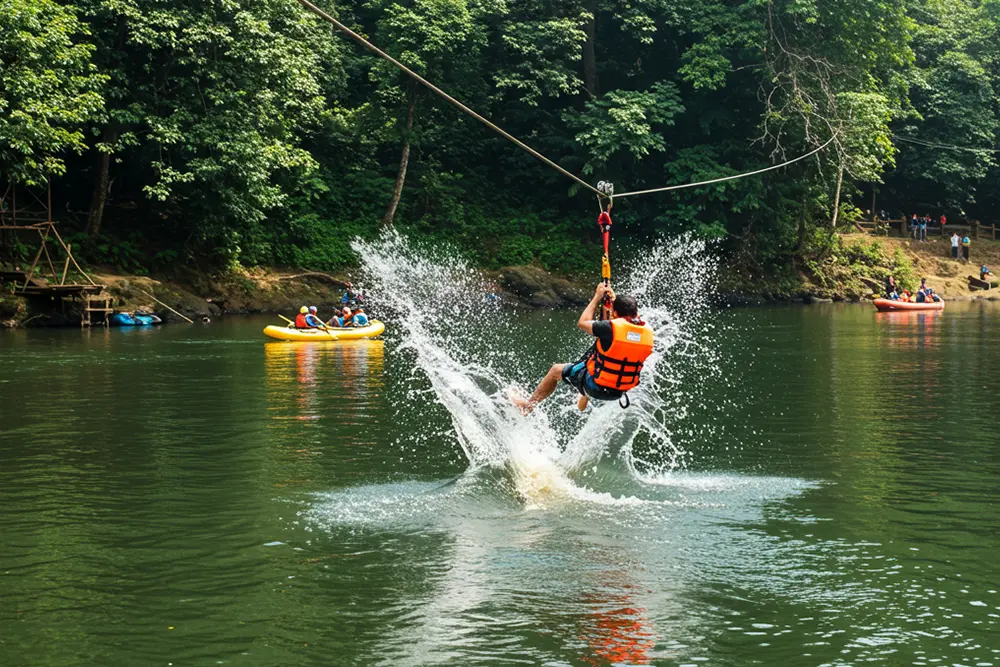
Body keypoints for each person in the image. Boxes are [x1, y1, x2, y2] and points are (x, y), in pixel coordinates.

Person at [510, 283, 654, 414]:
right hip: (619, 390)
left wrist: (597, 297)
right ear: (636, 312)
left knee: (556, 370)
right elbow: (619, 328)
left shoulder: (610, 329)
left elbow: (582, 323)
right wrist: (612, 302)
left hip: (598, 387)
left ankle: (528, 407)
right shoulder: (647, 332)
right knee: (595, 354)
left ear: (615, 313)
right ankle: (583, 393)